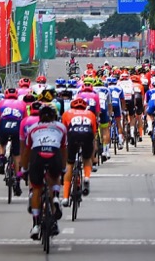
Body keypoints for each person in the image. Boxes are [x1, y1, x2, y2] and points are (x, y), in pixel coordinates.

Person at [20, 105, 67, 240]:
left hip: (38, 155)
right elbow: (64, 150)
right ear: (54, 116)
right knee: (55, 177)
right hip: (54, 154)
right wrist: (63, 168)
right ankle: (56, 195)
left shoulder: (32, 128)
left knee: (36, 188)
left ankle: (35, 225)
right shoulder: (61, 128)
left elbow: (26, 152)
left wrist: (23, 169)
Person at [61, 97, 97, 204]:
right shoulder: (90, 114)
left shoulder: (67, 113)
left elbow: (63, 131)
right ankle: (86, 177)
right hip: (87, 134)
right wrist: (93, 154)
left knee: (70, 163)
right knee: (86, 158)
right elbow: (94, 134)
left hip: (72, 135)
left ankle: (66, 197)